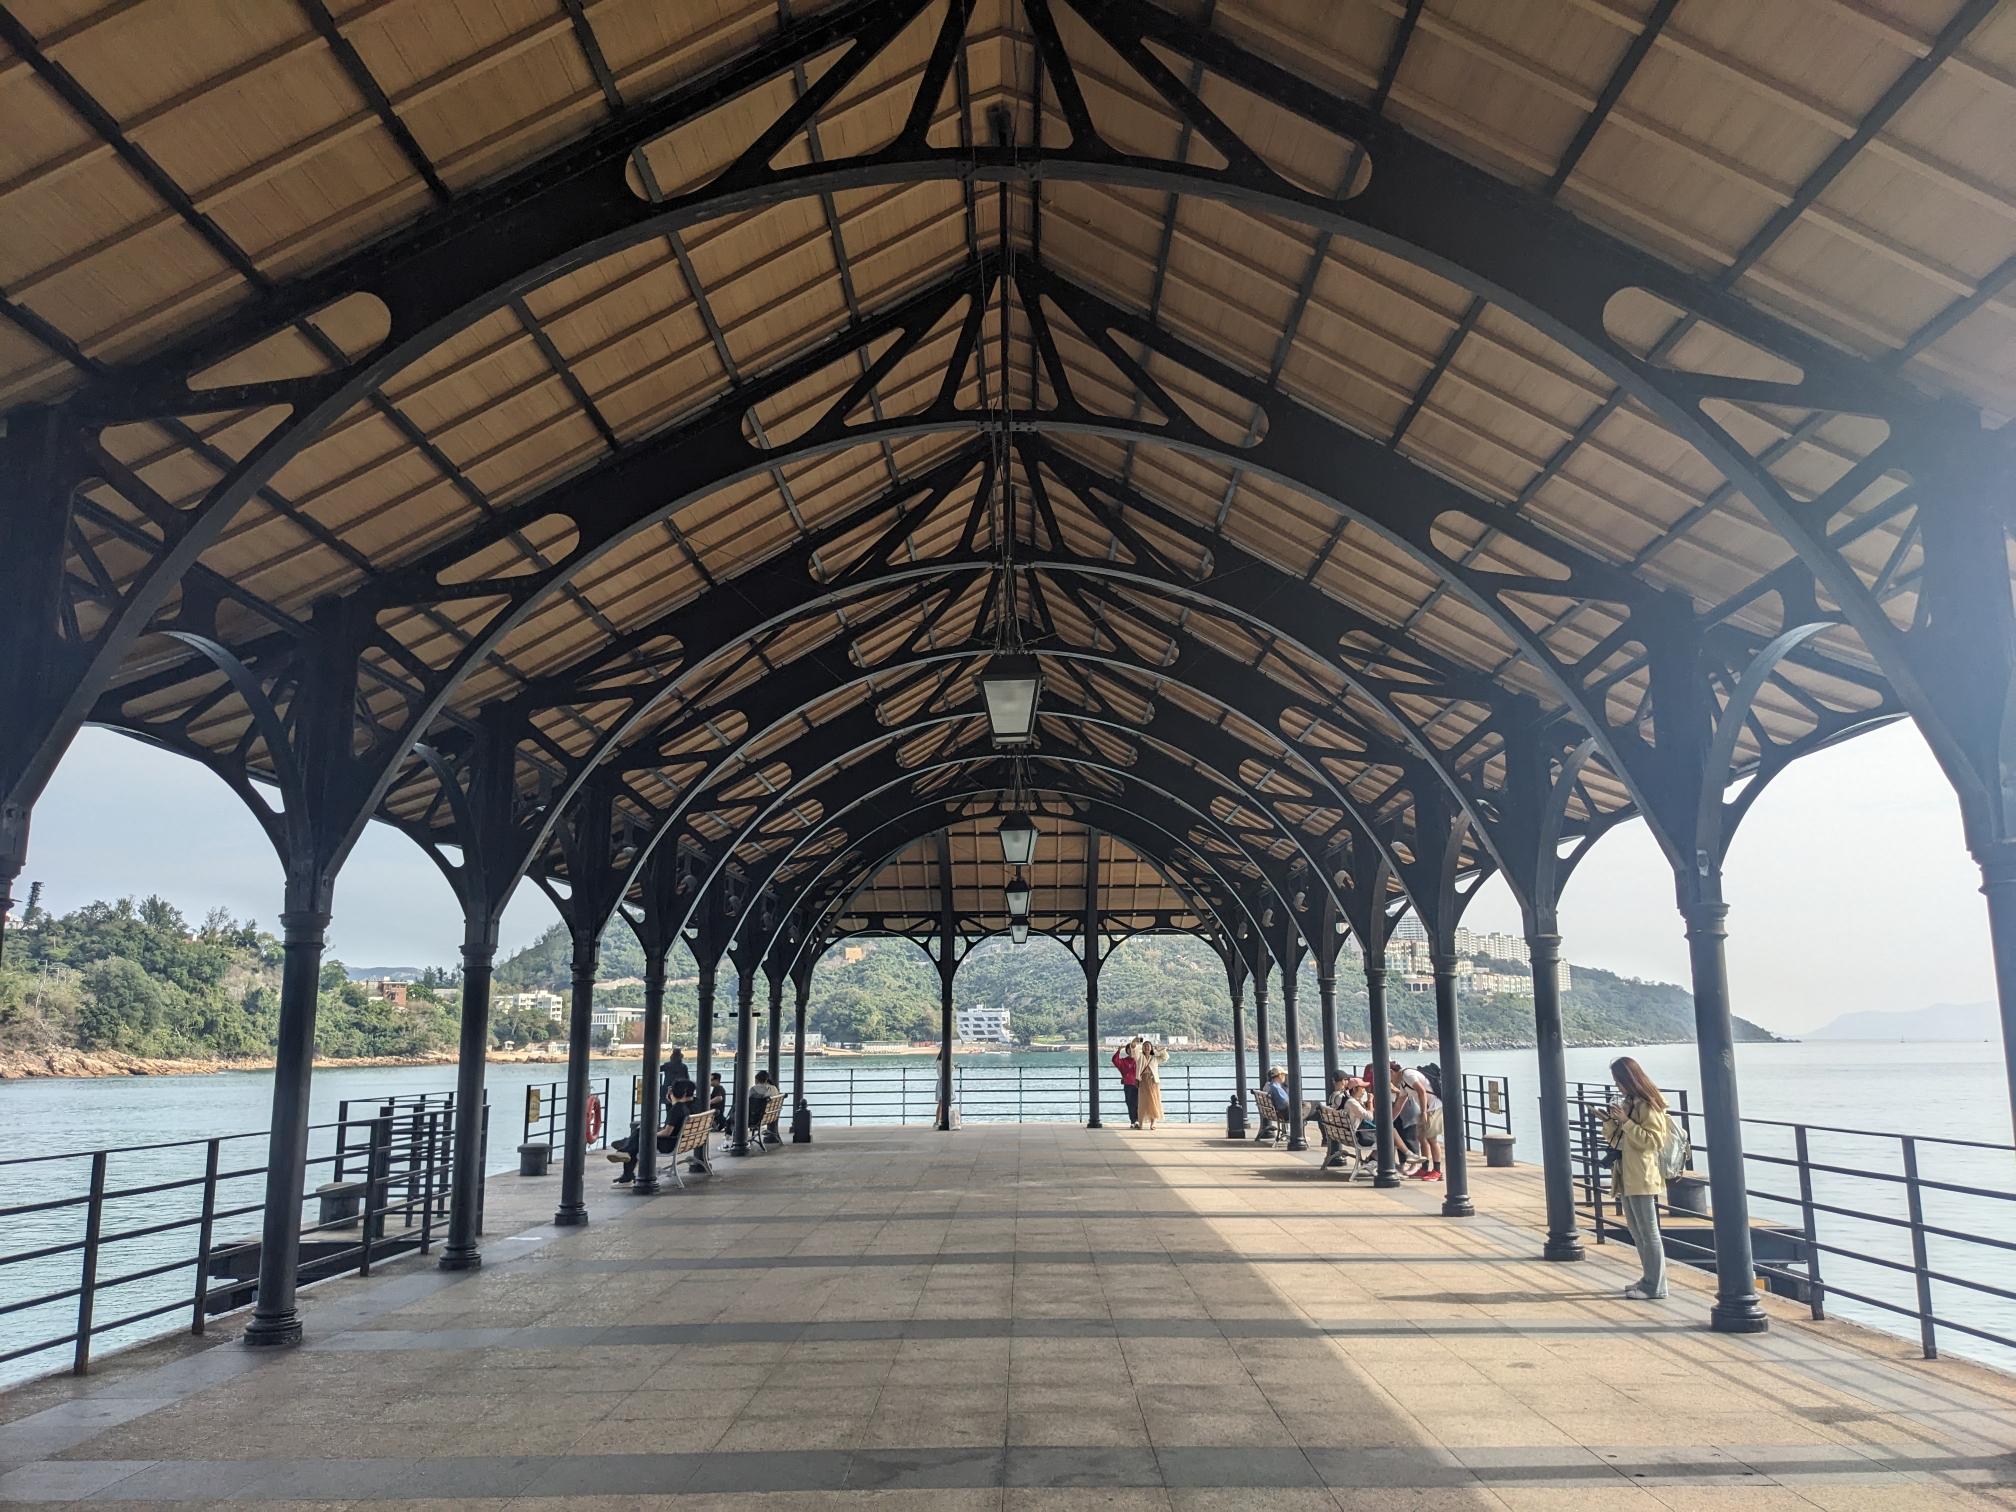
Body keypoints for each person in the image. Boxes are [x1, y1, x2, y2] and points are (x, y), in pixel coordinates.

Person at [1603, 1056, 1670, 1300]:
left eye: (1618, 1081)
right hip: (1626, 1173)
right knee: (1636, 1230)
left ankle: (1656, 1286)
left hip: (1642, 1174)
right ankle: (1648, 1278)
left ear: (1628, 1079)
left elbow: (1653, 1141)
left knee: (1648, 1231)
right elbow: (1618, 1140)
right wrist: (1609, 1121)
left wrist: (1627, 1122)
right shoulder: (1630, 1102)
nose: (1617, 1086)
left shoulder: (1648, 1104)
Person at [609, 1080, 695, 1185]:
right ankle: (625, 1149)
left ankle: (624, 1152)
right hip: (678, 1141)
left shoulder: (676, 1109)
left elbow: (667, 1132)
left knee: (640, 1133)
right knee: (637, 1137)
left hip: (667, 1144)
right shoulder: (686, 1107)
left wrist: (650, 1135)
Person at [1136, 1039, 1170, 1130]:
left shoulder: (1155, 1057)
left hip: (1153, 1081)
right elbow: (1134, 1052)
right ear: (1142, 1048)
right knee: (1142, 1102)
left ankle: (1153, 1123)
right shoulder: (1140, 1056)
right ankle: (1140, 1123)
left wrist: (1160, 1051)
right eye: (1145, 1046)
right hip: (1143, 1081)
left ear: (1151, 1048)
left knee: (1154, 1102)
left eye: (1148, 1046)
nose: (1146, 1047)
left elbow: (1165, 1057)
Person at [1112, 1039, 1141, 1127]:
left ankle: (1137, 1120)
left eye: (1132, 1049)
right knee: (1129, 1103)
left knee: (1138, 1103)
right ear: (1127, 1051)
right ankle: (1133, 1121)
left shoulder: (1139, 1060)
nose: (1131, 1051)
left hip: (1139, 1084)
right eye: (1129, 1049)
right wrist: (1118, 1051)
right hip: (1128, 1084)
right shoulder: (1124, 1061)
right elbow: (1115, 1060)